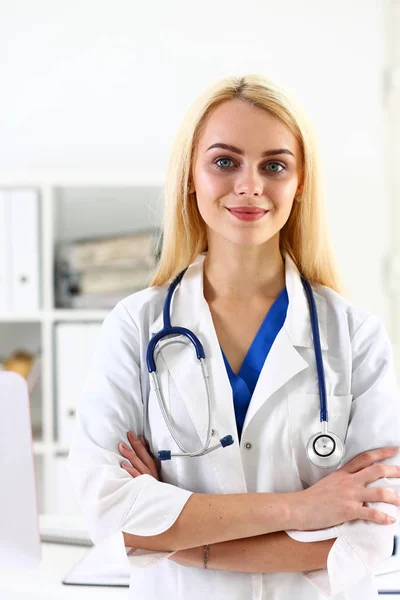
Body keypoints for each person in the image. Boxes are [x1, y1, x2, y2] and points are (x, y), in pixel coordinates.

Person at [68, 74, 400, 600]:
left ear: (299, 182)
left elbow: (371, 531)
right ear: (191, 177)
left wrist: (179, 539)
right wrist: (301, 509)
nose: (250, 185)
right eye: (225, 162)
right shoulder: (136, 327)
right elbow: (108, 510)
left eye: (274, 165)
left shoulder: (354, 335)